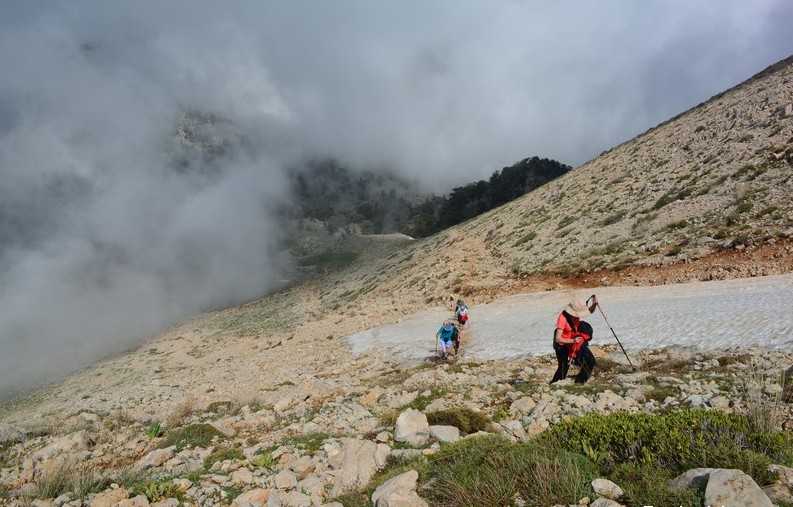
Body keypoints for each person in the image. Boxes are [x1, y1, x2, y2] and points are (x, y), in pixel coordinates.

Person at [550, 295, 598, 384]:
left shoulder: (575, 315)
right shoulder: (562, 318)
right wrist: (573, 341)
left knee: (590, 361)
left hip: (572, 340)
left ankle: (580, 382)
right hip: (562, 344)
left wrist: (595, 303)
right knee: (563, 367)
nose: (578, 316)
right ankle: (553, 384)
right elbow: (558, 339)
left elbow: (590, 311)